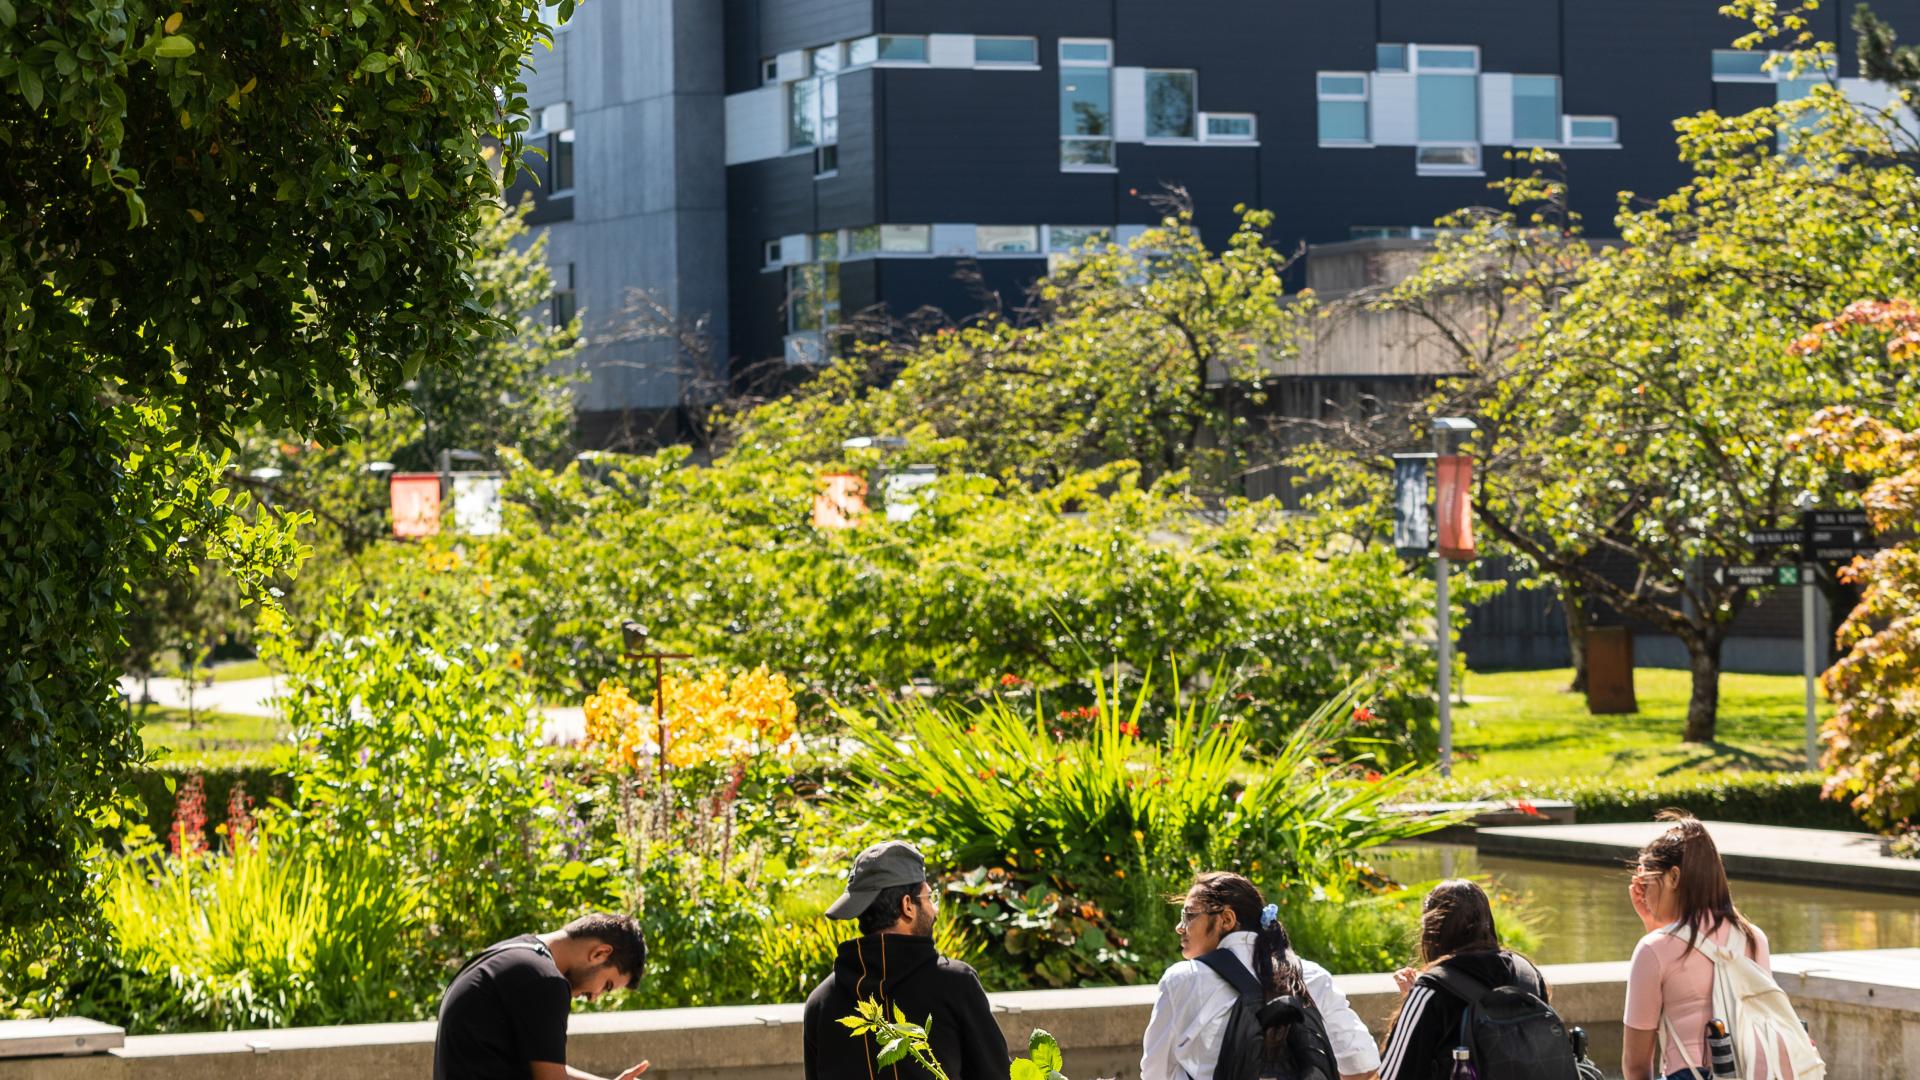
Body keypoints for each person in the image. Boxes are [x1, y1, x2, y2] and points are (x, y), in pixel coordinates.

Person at [1141, 871, 1382, 1080]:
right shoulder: (1310, 976)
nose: (1180, 927)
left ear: (1226, 919)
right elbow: (1363, 1065)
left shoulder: (1183, 980)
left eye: (1189, 915)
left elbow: (1155, 1072)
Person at [802, 840, 1010, 1080]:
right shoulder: (954, 984)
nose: (935, 910)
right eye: (929, 897)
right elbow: (996, 1074)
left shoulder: (821, 1002)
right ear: (908, 905)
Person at [1621, 813, 1771, 1080]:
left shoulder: (1653, 949)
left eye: (1648, 881)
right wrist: (1654, 924)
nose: (1644, 892)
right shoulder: (1753, 938)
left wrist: (1654, 933)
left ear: (1674, 877)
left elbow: (1635, 1065)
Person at [433, 912, 652, 1080]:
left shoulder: (513, 953)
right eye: (606, 985)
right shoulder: (544, 981)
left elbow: (543, 1063)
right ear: (599, 954)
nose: (594, 997)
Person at [1377, 879, 1551, 1080]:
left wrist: (1414, 1001)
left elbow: (1392, 1075)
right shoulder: (1526, 974)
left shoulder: (1432, 990)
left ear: (1431, 931)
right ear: (1488, 922)